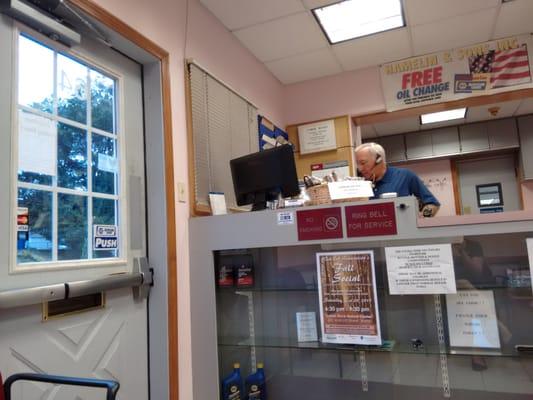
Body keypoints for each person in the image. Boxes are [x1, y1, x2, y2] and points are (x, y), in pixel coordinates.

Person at [354, 142, 440, 217]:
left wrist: (422, 219)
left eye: (363, 163)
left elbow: (432, 203)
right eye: (358, 164)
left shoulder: (404, 175)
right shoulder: (361, 184)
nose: (360, 169)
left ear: (379, 160)